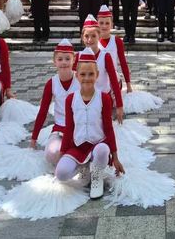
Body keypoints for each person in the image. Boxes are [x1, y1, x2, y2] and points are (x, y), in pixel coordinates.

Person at [56, 49, 125, 199]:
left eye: (91, 74)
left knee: (101, 150)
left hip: (98, 144)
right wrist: (62, 154)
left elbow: (108, 128)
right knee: (61, 173)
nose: (87, 78)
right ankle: (85, 167)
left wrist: (115, 156)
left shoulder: (104, 98)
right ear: (76, 76)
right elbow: (69, 128)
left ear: (97, 75)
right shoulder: (71, 99)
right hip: (78, 146)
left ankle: (97, 175)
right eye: (83, 74)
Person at [30, 39, 80, 168]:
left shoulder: (80, 79)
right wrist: (34, 138)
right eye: (60, 59)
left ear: (73, 60)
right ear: (54, 61)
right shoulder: (51, 83)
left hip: (79, 127)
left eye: (67, 59)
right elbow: (43, 111)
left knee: (80, 151)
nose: (64, 62)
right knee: (51, 154)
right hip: (60, 128)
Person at [75, 15, 124, 119]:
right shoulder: (78, 57)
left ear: (99, 36)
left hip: (103, 100)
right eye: (86, 36)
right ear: (82, 37)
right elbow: (73, 82)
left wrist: (119, 105)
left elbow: (114, 81)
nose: (89, 40)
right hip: (84, 100)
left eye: (93, 36)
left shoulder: (105, 56)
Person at [97, 5, 133, 94]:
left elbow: (123, 63)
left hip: (113, 79)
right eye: (101, 23)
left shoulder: (116, 41)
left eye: (107, 23)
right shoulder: (94, 41)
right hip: (98, 78)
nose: (104, 26)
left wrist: (128, 85)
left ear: (112, 24)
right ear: (97, 24)